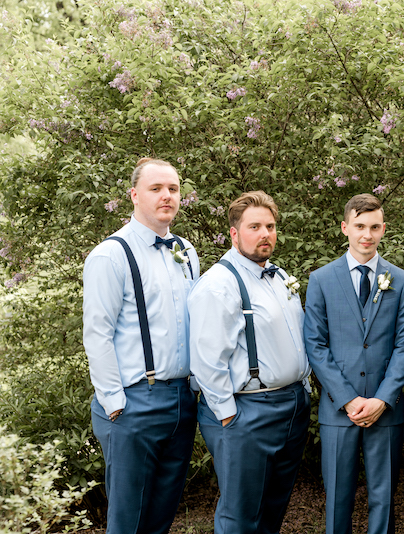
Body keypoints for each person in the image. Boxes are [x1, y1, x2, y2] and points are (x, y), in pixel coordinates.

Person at [83, 157, 199, 534]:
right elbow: (96, 333)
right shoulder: (110, 254)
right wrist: (114, 402)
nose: (167, 196)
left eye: (173, 188)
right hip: (134, 402)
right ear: (134, 195)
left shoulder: (187, 251)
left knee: (162, 516)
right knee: (128, 521)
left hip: (182, 400)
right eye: (156, 188)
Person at [189, 191, 311, 534]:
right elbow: (207, 359)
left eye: (270, 226)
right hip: (247, 412)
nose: (264, 234)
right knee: (240, 518)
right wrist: (228, 415)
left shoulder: (279, 274)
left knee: (273, 509)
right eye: (254, 226)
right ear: (234, 233)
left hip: (291, 407)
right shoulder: (218, 285)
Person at [304, 193, 404, 534]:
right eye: (359, 227)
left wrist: (382, 399)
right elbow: (316, 344)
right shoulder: (321, 279)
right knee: (338, 495)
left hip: (385, 409)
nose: (366, 235)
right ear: (345, 228)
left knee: (383, 496)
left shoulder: (400, 279)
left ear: (383, 229)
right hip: (339, 410)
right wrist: (349, 399)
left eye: (373, 227)